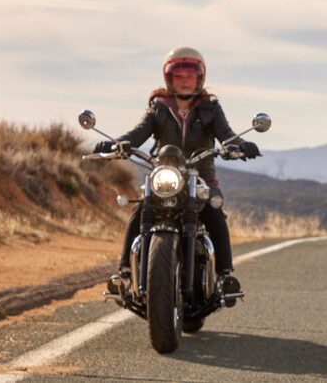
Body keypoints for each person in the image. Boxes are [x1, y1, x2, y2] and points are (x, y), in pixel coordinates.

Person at [95, 46, 262, 295]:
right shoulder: (159, 107)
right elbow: (138, 132)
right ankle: (125, 274)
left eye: (190, 75)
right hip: (165, 177)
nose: (184, 80)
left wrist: (240, 145)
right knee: (141, 209)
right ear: (169, 78)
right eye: (178, 75)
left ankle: (225, 276)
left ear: (200, 78)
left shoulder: (211, 108)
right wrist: (117, 143)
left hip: (201, 177)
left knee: (215, 212)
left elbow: (226, 135)